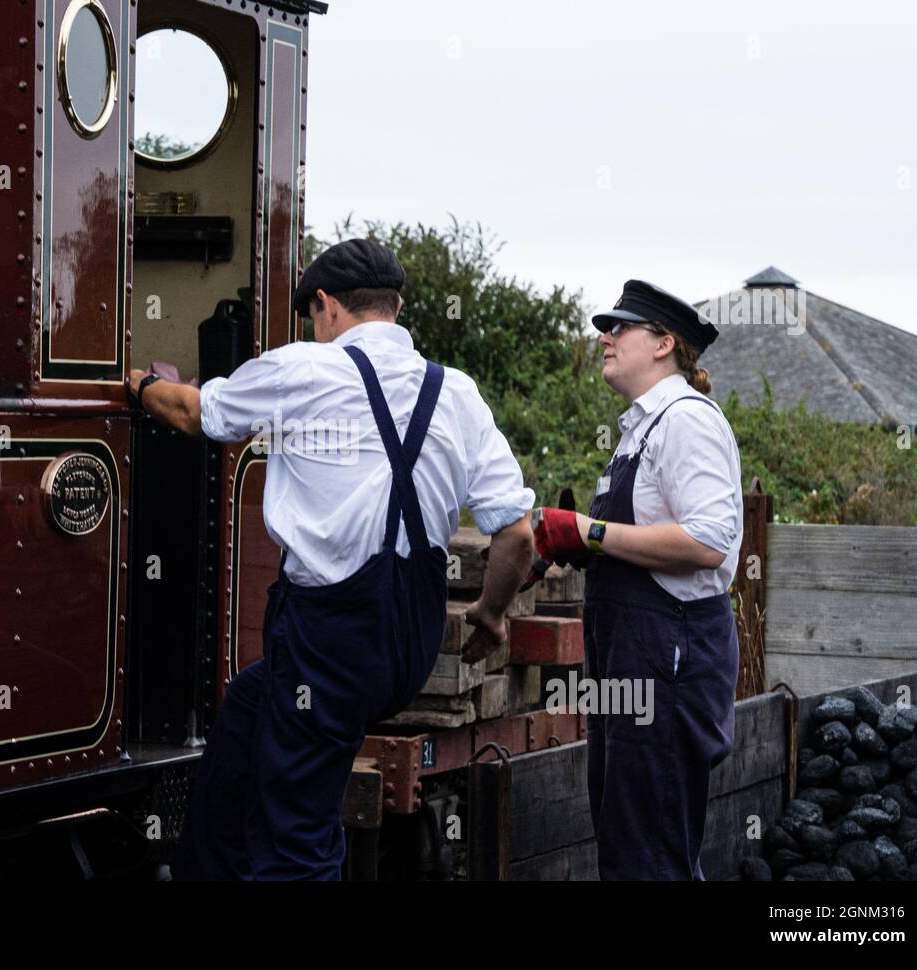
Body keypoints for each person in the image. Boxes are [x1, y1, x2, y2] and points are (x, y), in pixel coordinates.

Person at [127, 238, 536, 880]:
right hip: (408, 647)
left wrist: (141, 384)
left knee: (295, 835)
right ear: (394, 307)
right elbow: (517, 534)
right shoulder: (455, 392)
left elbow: (191, 412)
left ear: (326, 306)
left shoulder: (304, 371)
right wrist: (490, 613)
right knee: (248, 711)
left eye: (313, 317)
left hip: (330, 642)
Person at [532, 279, 742, 880]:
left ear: (664, 344)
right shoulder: (640, 430)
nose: (606, 336)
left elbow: (707, 541)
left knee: (651, 858)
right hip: (634, 659)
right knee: (631, 847)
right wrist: (578, 543)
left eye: (620, 327)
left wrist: (593, 534)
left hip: (667, 663)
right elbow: (648, 538)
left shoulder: (685, 422)